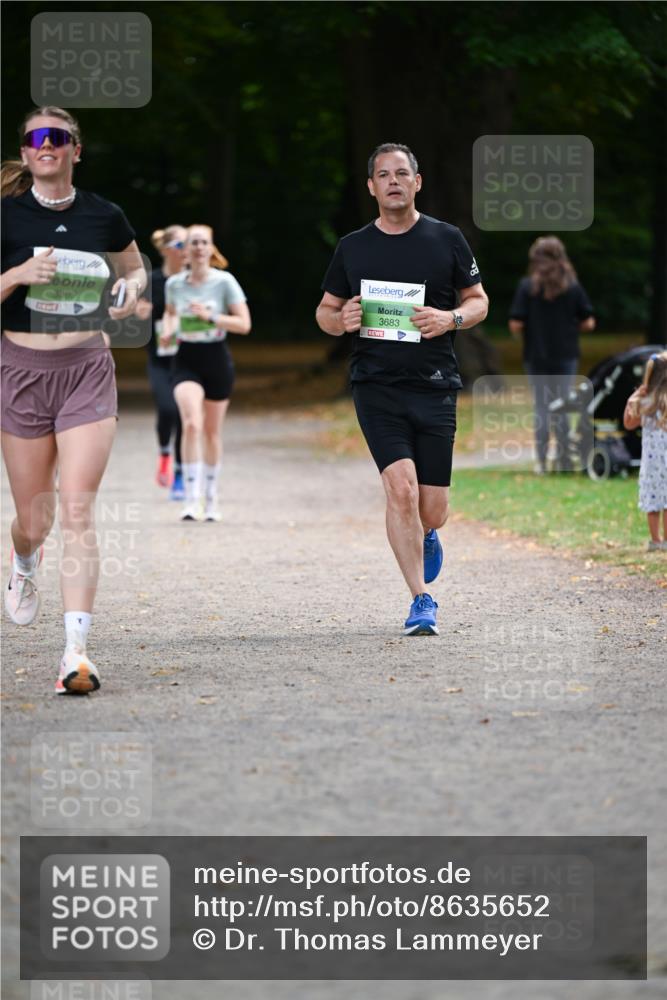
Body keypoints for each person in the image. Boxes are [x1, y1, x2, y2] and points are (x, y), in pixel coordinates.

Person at [316, 142, 488, 636]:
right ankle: (420, 598)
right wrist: (341, 320)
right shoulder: (353, 246)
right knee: (400, 489)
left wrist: (451, 318)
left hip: (434, 385)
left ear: (418, 181)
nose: (393, 181)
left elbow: (478, 301)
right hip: (376, 386)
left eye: (401, 173)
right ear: (371, 187)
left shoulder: (447, 238)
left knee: (432, 508)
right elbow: (325, 311)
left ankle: (428, 532)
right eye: (383, 175)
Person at [1, 106, 145, 695]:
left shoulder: (104, 215)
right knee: (35, 520)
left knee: (78, 508)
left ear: (75, 150)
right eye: (35, 137)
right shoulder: (6, 214)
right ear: (26, 150)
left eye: (57, 137)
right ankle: (24, 560)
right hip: (22, 370)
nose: (46, 144)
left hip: (86, 366)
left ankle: (75, 654)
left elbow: (135, 271)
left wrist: (130, 290)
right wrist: (17, 275)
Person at [162, 224, 251, 521]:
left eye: (204, 242)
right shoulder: (174, 284)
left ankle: (211, 498)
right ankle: (191, 499)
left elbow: (244, 324)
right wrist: (169, 331)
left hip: (216, 359)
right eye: (194, 243)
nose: (199, 247)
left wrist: (211, 316)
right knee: (191, 424)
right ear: (185, 250)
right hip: (186, 359)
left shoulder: (224, 282)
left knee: (212, 433)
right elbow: (171, 314)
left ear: (211, 248)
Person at [508, 236, 595, 474]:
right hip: (566, 355)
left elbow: (516, 323)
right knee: (562, 405)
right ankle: (565, 460)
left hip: (536, 356)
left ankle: (542, 462)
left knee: (542, 407)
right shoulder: (573, 287)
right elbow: (589, 322)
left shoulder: (527, 287)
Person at [135, 225, 187, 500]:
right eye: (180, 245)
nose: (186, 250)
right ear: (166, 249)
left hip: (189, 358)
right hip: (160, 358)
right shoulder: (151, 280)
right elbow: (133, 316)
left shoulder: (194, 279)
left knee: (184, 414)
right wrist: (139, 313)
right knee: (167, 410)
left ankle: (179, 473)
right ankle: (165, 452)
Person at [623, 351, 667, 552]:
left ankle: (655, 541)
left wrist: (633, 398)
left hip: (652, 465)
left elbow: (628, 424)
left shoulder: (645, 404)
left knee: (653, 503)